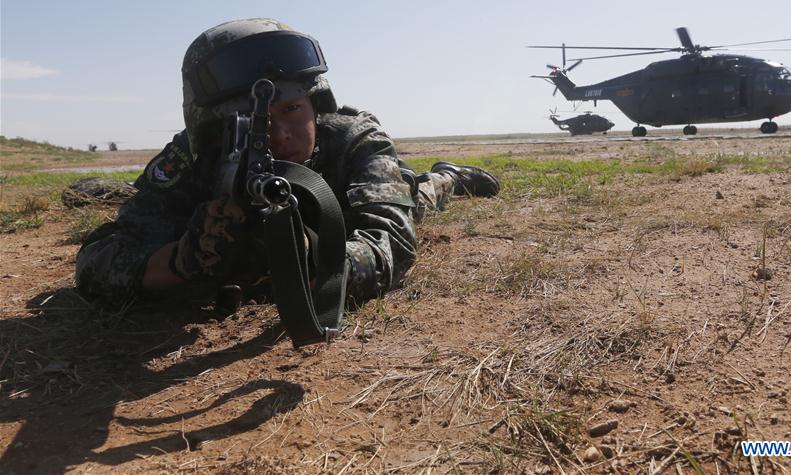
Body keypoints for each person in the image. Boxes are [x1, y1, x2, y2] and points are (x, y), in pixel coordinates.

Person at [74, 18, 499, 313]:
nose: (278, 135)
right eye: (251, 124)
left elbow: (392, 242)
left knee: (417, 197)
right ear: (212, 129)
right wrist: (179, 263)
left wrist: (316, 259)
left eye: (292, 109)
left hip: (343, 210)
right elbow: (98, 259)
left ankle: (448, 176)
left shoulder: (355, 138)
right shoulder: (193, 156)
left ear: (316, 104)